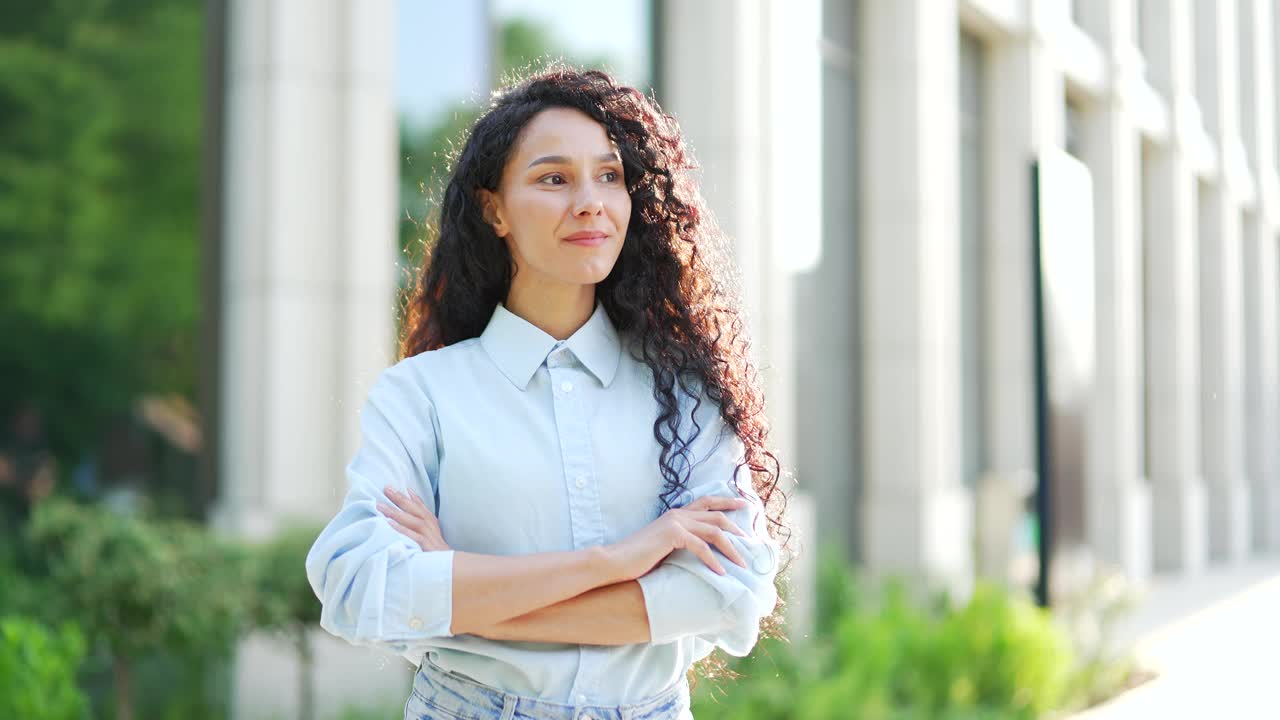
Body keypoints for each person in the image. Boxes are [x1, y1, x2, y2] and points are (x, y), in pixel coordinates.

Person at [306, 65, 789, 720]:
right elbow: (359, 587)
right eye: (553, 178)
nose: (589, 200)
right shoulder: (420, 396)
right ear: (494, 209)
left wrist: (461, 586)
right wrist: (620, 560)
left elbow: (729, 592)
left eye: (610, 176)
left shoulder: (685, 391)